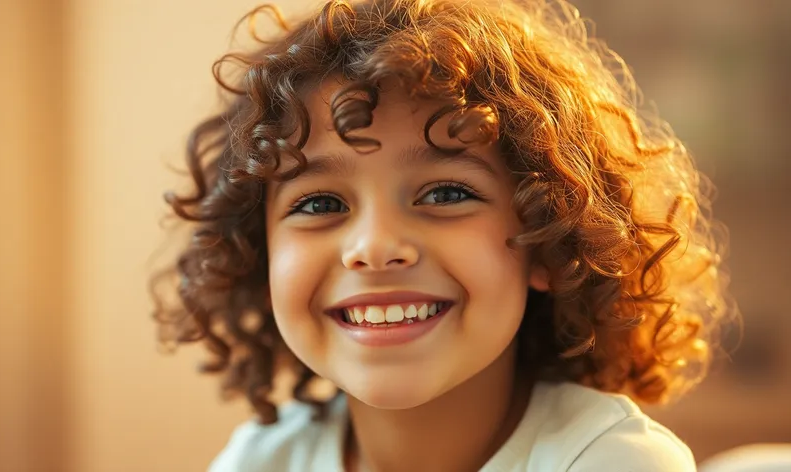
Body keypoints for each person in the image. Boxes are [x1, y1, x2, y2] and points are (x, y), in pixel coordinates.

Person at [152, 0, 734, 470]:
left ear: (547, 238)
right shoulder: (261, 460)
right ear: (259, 259)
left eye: (446, 194)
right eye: (321, 202)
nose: (376, 246)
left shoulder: (611, 460)